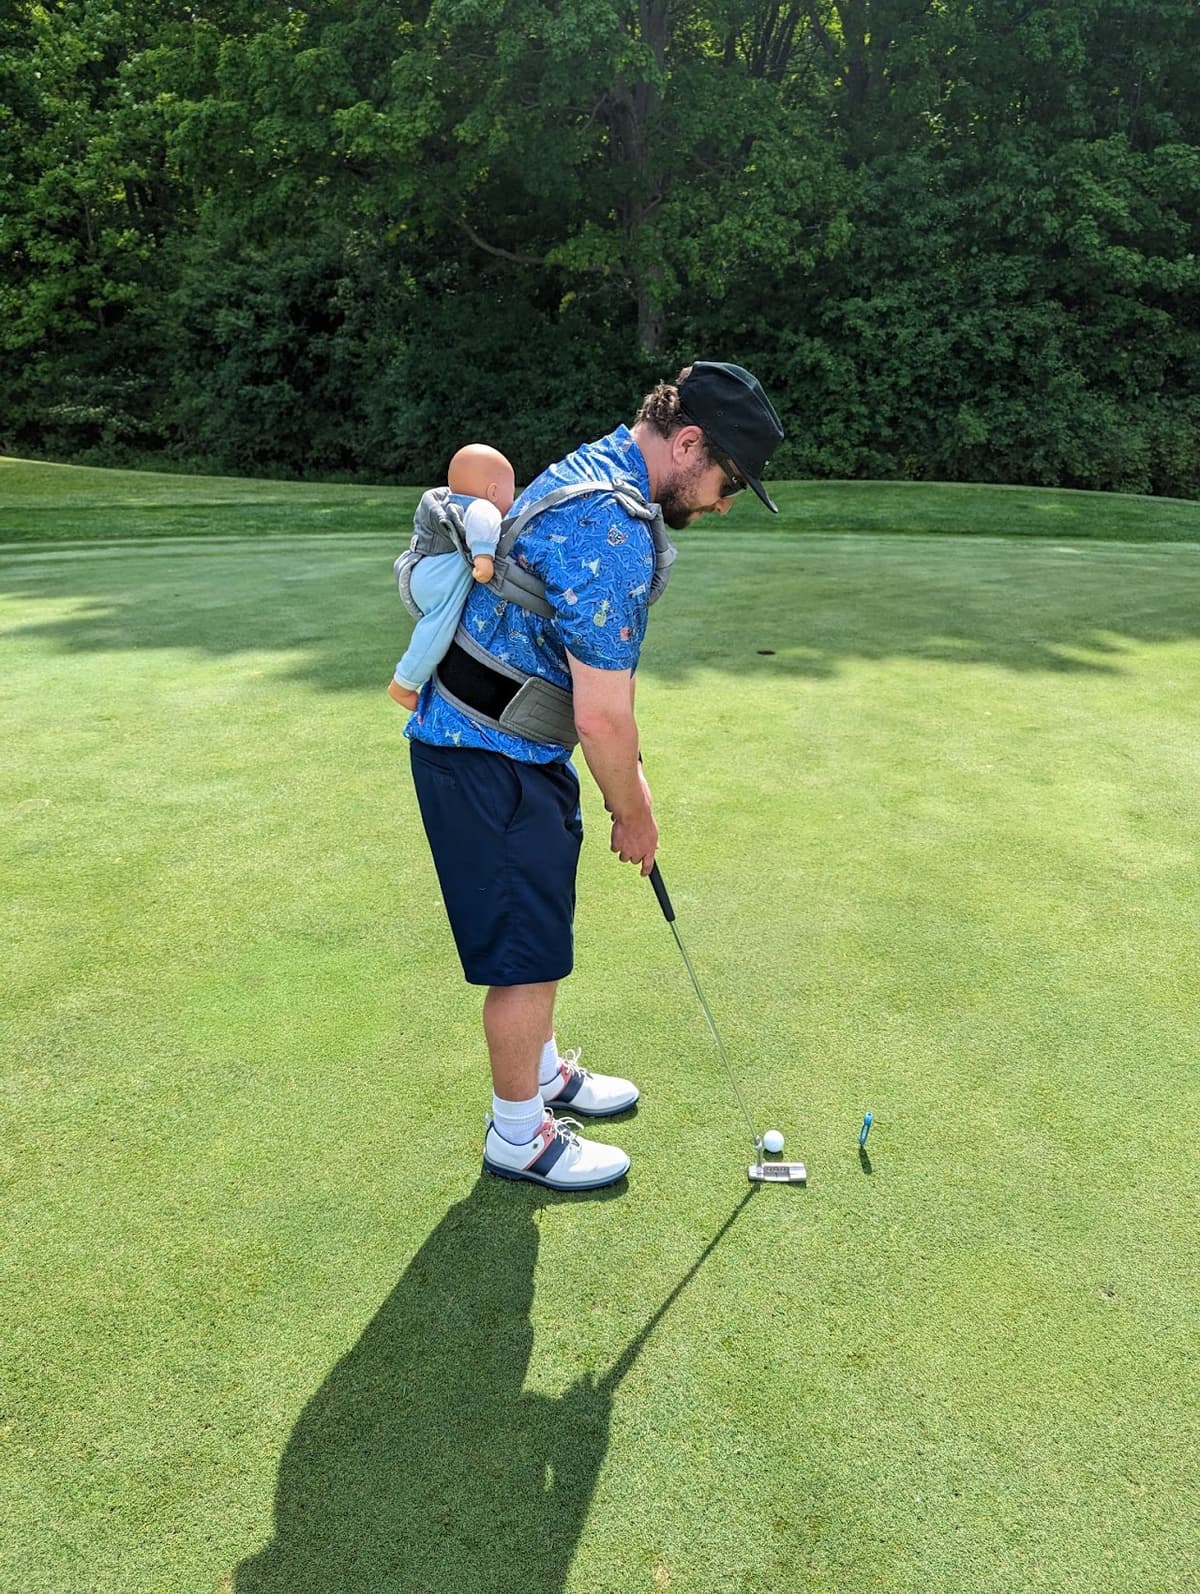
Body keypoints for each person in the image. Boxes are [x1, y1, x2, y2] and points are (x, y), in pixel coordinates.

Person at [404, 362, 784, 1192]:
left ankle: (541, 1076)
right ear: (689, 443)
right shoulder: (611, 528)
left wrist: (621, 789)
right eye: (728, 482)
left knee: (536, 932)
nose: (723, 505)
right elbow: (603, 717)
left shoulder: (601, 467)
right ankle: (519, 1136)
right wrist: (633, 809)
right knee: (524, 961)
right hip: (487, 759)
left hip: (502, 749)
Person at [388, 443, 515, 711]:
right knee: (438, 627)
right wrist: (483, 558)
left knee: (439, 621)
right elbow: (485, 517)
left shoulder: (451, 503)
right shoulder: (480, 506)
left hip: (420, 566)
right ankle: (404, 683)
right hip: (437, 577)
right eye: (510, 493)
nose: (512, 502)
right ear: (493, 491)